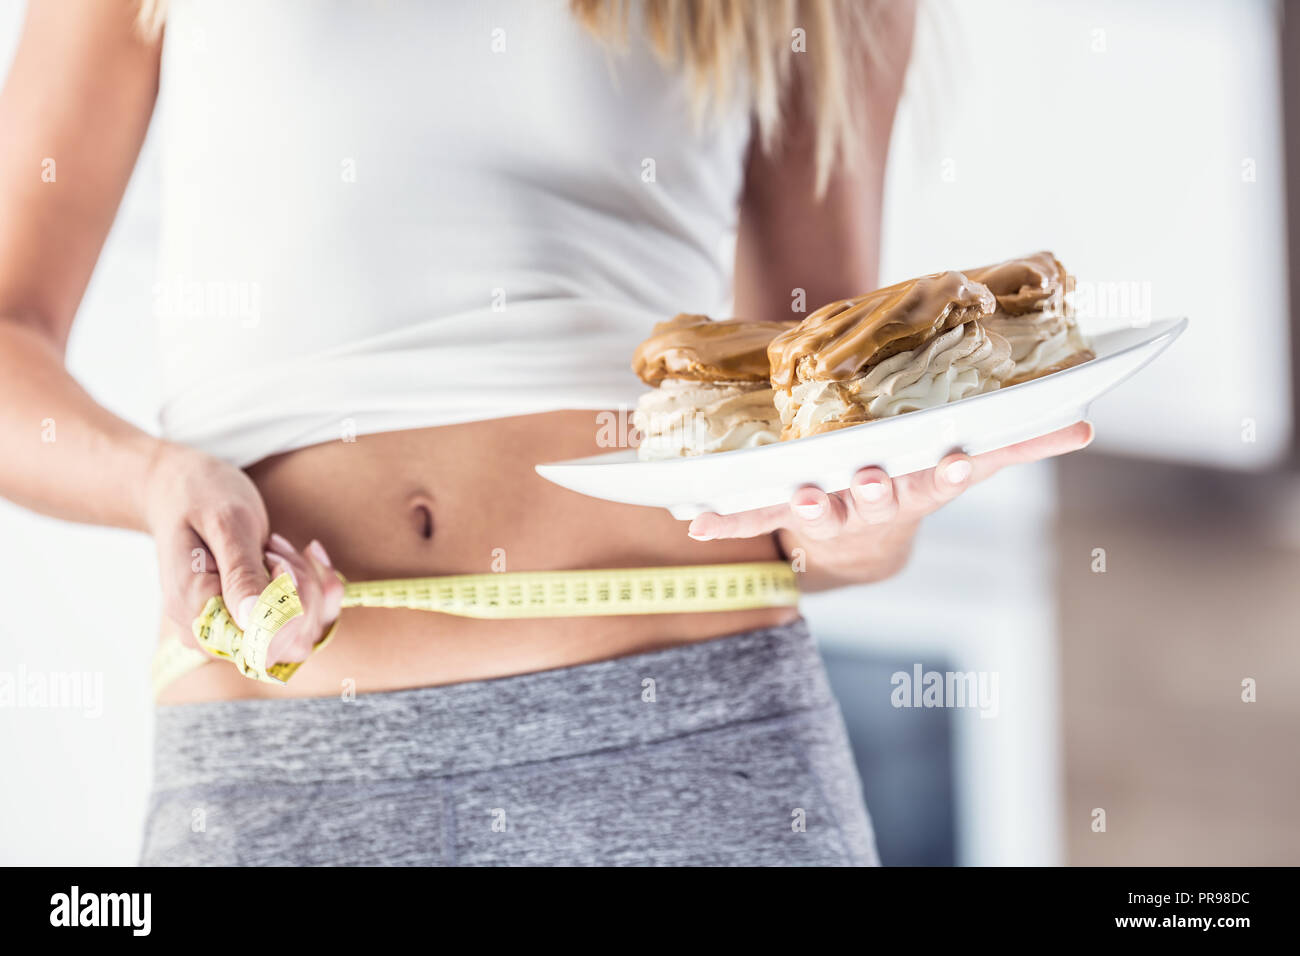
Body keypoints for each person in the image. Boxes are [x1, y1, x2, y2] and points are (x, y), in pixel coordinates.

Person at [0, 0, 1091, 865]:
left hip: (698, 737)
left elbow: (826, 393)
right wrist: (152, 479)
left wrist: (860, 525)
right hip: (281, 763)